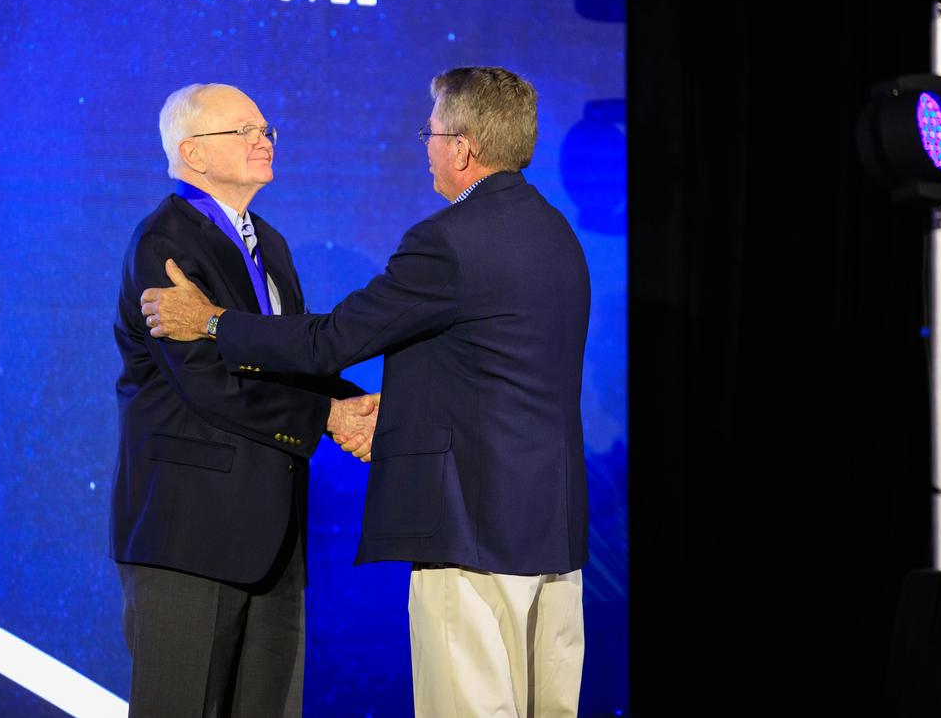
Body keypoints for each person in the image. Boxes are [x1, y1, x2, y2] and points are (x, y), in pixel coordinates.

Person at [140, 66, 591, 717]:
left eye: (430, 132)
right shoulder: (557, 234)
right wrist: (340, 408)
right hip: (552, 538)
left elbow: (332, 339)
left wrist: (210, 321)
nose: (426, 146)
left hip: (470, 534)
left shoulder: (449, 242)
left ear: (461, 147)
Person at [112, 83, 378, 717]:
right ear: (193, 153)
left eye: (267, 130)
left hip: (275, 539)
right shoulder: (164, 244)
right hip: (191, 537)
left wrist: (360, 402)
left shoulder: (273, 244)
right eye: (245, 131)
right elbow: (210, 382)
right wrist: (330, 417)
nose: (265, 141)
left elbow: (287, 360)